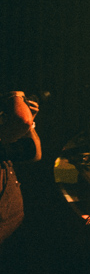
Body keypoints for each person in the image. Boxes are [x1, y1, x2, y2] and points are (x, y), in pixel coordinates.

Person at [0, 90, 42, 246]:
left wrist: (29, 127)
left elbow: (34, 153)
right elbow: (22, 120)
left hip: (9, 229)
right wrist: (15, 95)